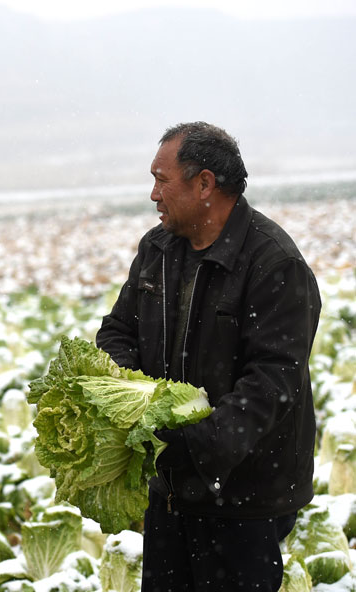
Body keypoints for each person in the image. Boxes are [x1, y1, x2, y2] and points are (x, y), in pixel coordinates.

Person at [96, 122, 321, 591]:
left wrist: (196, 443)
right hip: (171, 489)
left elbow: (273, 381)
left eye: (162, 179)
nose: (153, 194)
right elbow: (118, 331)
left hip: (244, 496)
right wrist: (137, 403)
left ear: (204, 184)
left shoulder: (273, 263)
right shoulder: (157, 250)